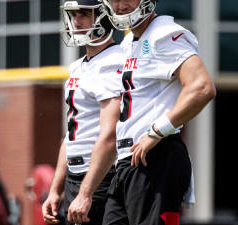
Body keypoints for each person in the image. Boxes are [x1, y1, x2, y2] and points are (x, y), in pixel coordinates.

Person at [84, 0, 215, 224]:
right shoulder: (128, 42)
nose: (120, 5)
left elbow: (202, 87)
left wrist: (156, 132)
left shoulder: (164, 34)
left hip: (156, 156)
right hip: (129, 160)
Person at [41, 0, 125, 224]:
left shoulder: (113, 61)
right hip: (75, 176)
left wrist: (86, 193)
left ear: (105, 16)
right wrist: (55, 190)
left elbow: (109, 135)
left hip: (100, 178)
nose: (76, 21)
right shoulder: (78, 66)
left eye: (84, 14)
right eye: (73, 15)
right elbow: (71, 135)